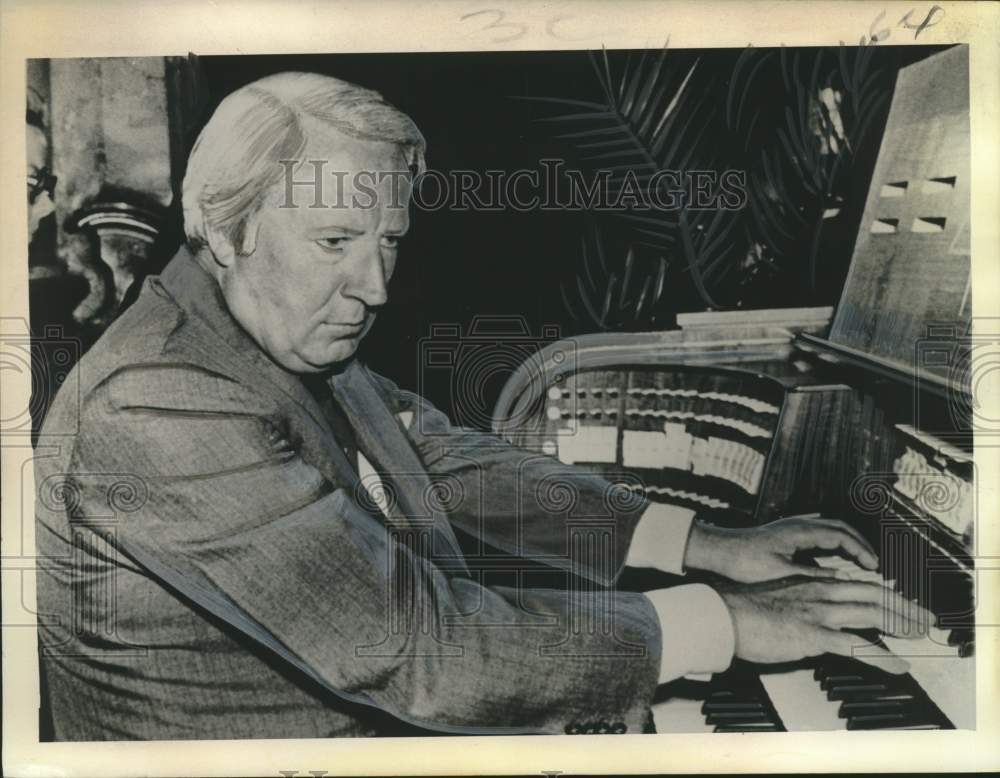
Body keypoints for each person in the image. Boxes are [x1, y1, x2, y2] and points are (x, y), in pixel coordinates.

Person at [34, 72, 930, 741]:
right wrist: (722, 621)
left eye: (388, 240)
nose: (375, 286)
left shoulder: (264, 331)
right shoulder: (157, 399)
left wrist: (703, 543)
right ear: (226, 229)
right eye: (336, 240)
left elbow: (444, 463)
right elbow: (415, 650)